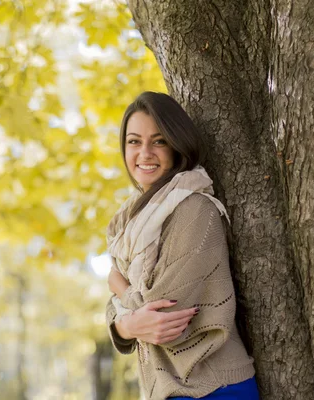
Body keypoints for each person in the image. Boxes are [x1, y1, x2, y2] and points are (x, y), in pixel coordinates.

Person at [105, 92, 259, 399]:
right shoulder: (127, 222)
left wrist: (119, 288)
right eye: (134, 141)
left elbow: (164, 314)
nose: (145, 152)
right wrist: (128, 324)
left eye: (159, 141)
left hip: (216, 387)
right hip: (167, 388)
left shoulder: (195, 209)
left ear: (177, 145)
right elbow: (137, 318)